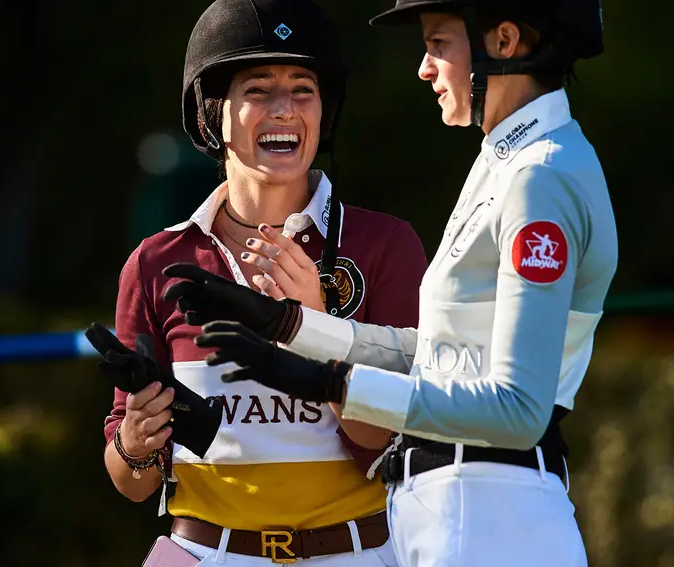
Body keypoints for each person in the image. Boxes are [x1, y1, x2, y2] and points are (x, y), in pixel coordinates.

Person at [163, 0, 618, 566]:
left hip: (490, 517)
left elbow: (519, 410)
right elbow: (441, 357)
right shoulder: (507, 164)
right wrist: (294, 327)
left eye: (437, 44)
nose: (425, 68)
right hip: (462, 514)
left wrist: (329, 385)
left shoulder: (538, 177)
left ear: (504, 41)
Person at [96, 0, 428, 565]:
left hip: (355, 551)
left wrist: (317, 328)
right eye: (257, 89)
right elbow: (131, 481)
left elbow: (381, 440)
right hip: (201, 551)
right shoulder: (155, 262)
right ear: (211, 113)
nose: (284, 109)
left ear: (325, 111)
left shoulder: (387, 246)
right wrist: (135, 443)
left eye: (303, 89)